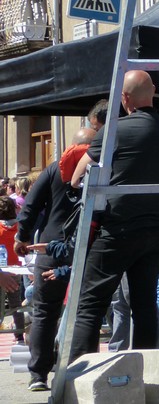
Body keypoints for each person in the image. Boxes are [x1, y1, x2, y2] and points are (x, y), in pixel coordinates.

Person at [68, 70, 159, 363]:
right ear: (153, 90)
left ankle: (80, 372)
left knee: (90, 304)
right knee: (145, 304)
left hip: (117, 229)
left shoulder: (114, 130)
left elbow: (77, 178)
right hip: (155, 228)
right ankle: (147, 371)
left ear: (124, 98)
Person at [14, 128, 95, 391]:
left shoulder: (54, 169)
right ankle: (80, 371)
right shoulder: (100, 167)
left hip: (50, 245)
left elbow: (31, 205)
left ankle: (38, 374)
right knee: (86, 311)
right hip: (87, 244)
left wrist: (22, 237)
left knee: (45, 312)